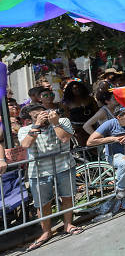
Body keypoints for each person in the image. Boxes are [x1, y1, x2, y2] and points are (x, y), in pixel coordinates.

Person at [18, 104, 82, 250]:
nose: (42, 117)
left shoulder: (63, 121)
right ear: (29, 119)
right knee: (43, 203)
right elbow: (26, 144)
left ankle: (68, 224)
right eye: (36, 116)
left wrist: (55, 123)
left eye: (43, 114)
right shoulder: (25, 130)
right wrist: (37, 125)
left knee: (67, 197)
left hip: (64, 166)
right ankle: (46, 232)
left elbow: (65, 138)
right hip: (39, 172)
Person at [86, 107, 125, 215]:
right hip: (114, 155)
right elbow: (90, 142)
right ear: (119, 117)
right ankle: (120, 189)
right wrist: (112, 139)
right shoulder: (110, 124)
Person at [61, 80, 99, 147]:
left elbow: (97, 111)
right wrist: (73, 130)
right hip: (78, 129)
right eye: (74, 88)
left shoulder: (90, 99)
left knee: (96, 143)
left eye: (79, 87)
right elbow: (67, 118)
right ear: (70, 90)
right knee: (84, 147)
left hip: (92, 126)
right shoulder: (67, 103)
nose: (77, 89)